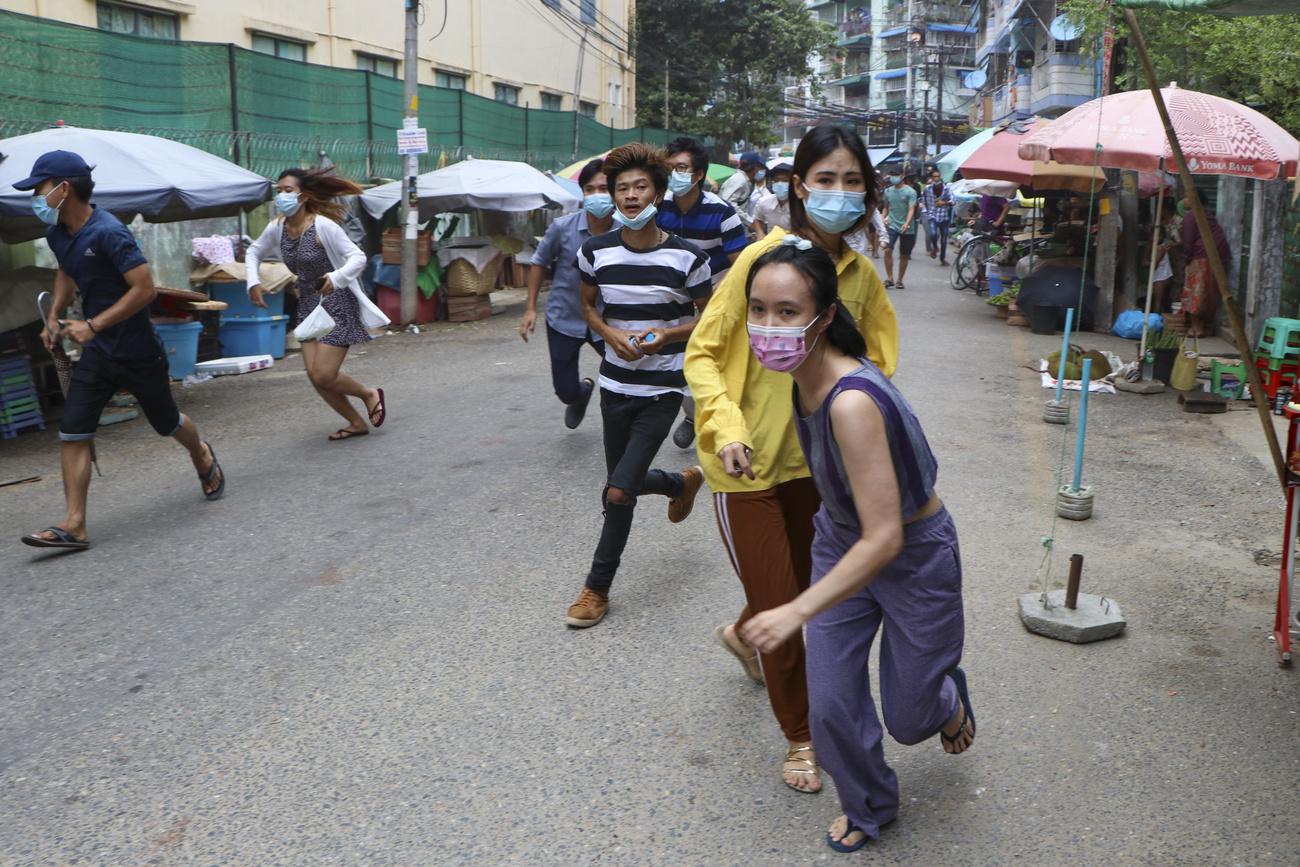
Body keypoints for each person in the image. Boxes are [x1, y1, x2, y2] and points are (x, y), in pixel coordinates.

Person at [738, 239, 973, 854]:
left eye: (787, 312)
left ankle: (947, 700)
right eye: (757, 309)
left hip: (912, 558)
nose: (768, 326)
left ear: (822, 316)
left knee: (910, 718)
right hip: (841, 541)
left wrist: (797, 608)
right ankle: (870, 807)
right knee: (833, 707)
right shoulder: (800, 377)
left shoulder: (852, 402)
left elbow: (887, 535)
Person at [685, 123, 898, 796]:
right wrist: (726, 427)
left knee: (807, 601)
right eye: (825, 179)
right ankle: (801, 735)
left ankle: (746, 634)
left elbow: (878, 367)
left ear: (868, 192)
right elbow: (705, 350)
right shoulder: (763, 258)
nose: (838, 193)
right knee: (784, 601)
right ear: (799, 186)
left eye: (852, 180)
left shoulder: (861, 279)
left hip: (819, 469)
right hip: (743, 465)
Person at [17, 150, 225, 551]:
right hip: (98, 355)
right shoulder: (58, 233)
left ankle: (200, 453)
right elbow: (66, 269)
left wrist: (93, 324)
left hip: (137, 350)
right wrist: (55, 315)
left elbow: (144, 290)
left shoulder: (110, 232)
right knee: (73, 431)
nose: (35, 198)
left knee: (166, 422)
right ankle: (75, 524)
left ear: (64, 189)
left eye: (39, 189)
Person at [566, 142, 714, 628]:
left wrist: (665, 336)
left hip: (663, 389)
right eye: (621, 188)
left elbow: (708, 318)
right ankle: (679, 481)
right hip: (614, 386)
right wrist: (610, 334)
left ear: (658, 191)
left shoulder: (687, 258)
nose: (630, 196)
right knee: (620, 486)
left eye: (640, 187)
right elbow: (589, 308)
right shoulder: (595, 252)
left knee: (616, 494)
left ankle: (596, 589)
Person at [246, 168, 388, 441]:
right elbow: (254, 251)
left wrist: (336, 277)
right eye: (279, 190)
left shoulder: (322, 226)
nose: (281, 195)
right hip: (309, 303)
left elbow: (357, 258)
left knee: (324, 374)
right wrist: (253, 281)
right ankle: (356, 422)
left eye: (288, 190)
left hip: (336, 301)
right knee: (314, 375)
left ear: (303, 196)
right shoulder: (277, 227)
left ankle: (369, 393)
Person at [657, 136, 748, 450]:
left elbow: (742, 264)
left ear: (698, 175)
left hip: (714, 298)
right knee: (675, 365)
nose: (674, 174)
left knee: (707, 362)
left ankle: (713, 420)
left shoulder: (722, 212)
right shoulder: (657, 207)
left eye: (681, 167)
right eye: (669, 168)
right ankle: (691, 412)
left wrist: (714, 297)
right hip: (674, 299)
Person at [519, 158, 613, 429]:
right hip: (564, 318)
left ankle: (626, 425)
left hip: (607, 321)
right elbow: (539, 262)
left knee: (626, 375)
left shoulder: (627, 231)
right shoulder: (563, 227)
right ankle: (582, 392)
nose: (597, 195)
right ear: (582, 193)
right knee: (565, 392)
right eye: (590, 189)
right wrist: (530, 309)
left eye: (604, 188)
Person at [1180, 195, 1231, 338]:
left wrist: (1187, 259)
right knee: (1207, 293)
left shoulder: (1191, 215)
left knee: (1195, 292)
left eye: (1187, 197)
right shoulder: (1207, 214)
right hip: (1218, 258)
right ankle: (1199, 326)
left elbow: (1188, 242)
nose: (1184, 200)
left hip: (1201, 257)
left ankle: (1196, 328)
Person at [880, 172, 917, 290]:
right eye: (891, 175)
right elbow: (886, 207)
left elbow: (912, 208)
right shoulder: (888, 191)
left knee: (904, 255)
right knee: (887, 250)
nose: (893, 177)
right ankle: (890, 277)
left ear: (902, 176)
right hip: (892, 225)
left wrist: (907, 222)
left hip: (907, 227)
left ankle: (899, 280)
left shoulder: (911, 192)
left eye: (895, 175)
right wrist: (882, 218)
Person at [719, 151, 766, 234]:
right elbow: (728, 204)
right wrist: (750, 221)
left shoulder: (745, 180)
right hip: (729, 228)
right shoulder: (739, 180)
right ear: (755, 168)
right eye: (759, 167)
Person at [1148, 197, 1180, 315]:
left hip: (1173, 264)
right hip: (1166, 264)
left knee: (1162, 299)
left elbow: (1184, 241)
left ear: (1164, 209)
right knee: (1161, 298)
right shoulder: (1160, 224)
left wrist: (1174, 245)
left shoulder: (1177, 222)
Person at [752, 160, 793, 240]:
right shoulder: (764, 202)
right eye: (777, 180)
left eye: (785, 180)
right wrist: (760, 233)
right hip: (772, 245)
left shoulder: (801, 204)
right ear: (772, 183)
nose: (780, 184)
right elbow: (757, 219)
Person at [923, 171, 952, 265]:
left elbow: (953, 200)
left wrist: (945, 203)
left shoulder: (947, 189)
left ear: (940, 177)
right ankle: (935, 247)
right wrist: (929, 210)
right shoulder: (927, 188)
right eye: (934, 177)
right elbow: (924, 200)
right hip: (932, 215)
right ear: (932, 178)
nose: (936, 178)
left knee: (944, 240)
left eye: (938, 177)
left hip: (944, 216)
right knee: (933, 234)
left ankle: (942, 259)